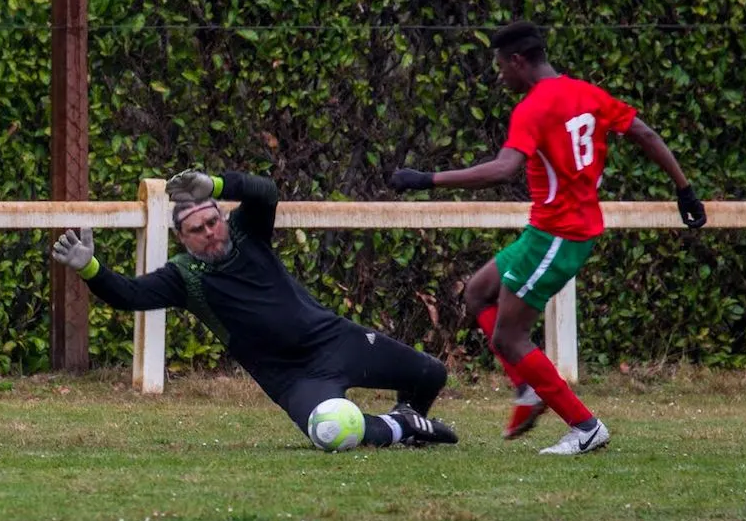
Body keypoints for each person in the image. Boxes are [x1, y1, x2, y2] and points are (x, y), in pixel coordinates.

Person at [388, 20, 707, 455]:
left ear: (518, 61)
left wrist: (426, 179)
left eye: (500, 66)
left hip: (557, 236)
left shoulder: (533, 107)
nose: (499, 75)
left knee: (509, 338)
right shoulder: (586, 93)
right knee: (478, 292)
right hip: (553, 230)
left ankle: (585, 426)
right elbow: (644, 133)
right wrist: (685, 190)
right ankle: (527, 387)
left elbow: (503, 169)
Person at [51, 169, 459, 451]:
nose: (209, 232)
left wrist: (214, 182)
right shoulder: (183, 276)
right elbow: (128, 295)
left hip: (336, 341)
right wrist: (90, 267)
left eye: (212, 221)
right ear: (183, 238)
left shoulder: (248, 232)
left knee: (431, 373)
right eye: (196, 229)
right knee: (332, 431)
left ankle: (410, 421)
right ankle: (401, 425)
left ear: (223, 218)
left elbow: (264, 191)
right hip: (293, 378)